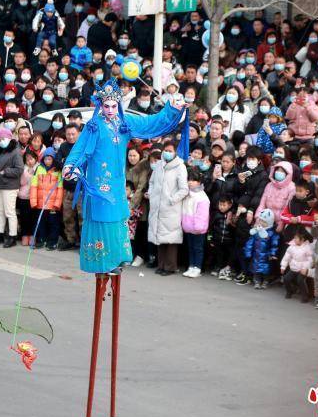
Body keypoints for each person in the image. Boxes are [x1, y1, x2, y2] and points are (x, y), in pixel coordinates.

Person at [63, 79, 187, 274]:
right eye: (106, 106)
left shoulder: (124, 122)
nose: (111, 109)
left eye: (114, 105)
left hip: (117, 181)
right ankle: (101, 262)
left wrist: (171, 109)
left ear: (119, 104)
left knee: (117, 215)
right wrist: (71, 165)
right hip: (98, 181)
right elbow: (80, 149)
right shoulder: (93, 125)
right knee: (101, 215)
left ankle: (116, 259)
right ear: (100, 105)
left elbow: (149, 122)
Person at [147, 141, 189, 276]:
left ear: (175, 152)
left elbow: (184, 189)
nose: (167, 153)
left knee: (170, 238)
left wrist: (172, 200)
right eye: (166, 150)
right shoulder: (159, 165)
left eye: (170, 150)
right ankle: (161, 265)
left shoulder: (180, 167)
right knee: (159, 237)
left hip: (171, 208)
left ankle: (170, 267)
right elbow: (152, 182)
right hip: (157, 206)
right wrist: (152, 194)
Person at [0, 128, 24, 248]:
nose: (2, 141)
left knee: (9, 212)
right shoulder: (0, 151)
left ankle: (12, 236)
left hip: (9, 186)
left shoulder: (16, 151)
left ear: (9, 138)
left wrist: (5, 172)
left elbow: (19, 169)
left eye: (4, 138)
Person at [30, 147, 64, 249]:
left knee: (53, 223)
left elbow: (60, 188)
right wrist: (33, 201)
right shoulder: (39, 168)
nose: (47, 161)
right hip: (41, 203)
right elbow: (34, 186)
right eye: (45, 159)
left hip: (52, 204)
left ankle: (52, 241)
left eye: (50, 159)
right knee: (41, 223)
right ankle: (41, 239)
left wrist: (57, 204)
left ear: (53, 159)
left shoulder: (57, 171)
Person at [181, 167, 210, 278]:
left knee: (198, 248)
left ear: (199, 182)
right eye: (189, 179)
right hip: (188, 227)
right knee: (191, 247)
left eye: (193, 180)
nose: (190, 182)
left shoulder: (202, 197)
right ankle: (191, 266)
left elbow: (202, 215)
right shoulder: (187, 194)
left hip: (198, 228)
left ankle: (197, 267)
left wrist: (198, 227)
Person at [244, 208, 280, 289]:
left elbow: (274, 244)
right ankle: (257, 281)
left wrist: (273, 253)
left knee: (266, 270)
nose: (262, 223)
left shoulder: (272, 233)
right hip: (256, 254)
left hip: (266, 256)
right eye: (261, 220)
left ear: (269, 223)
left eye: (264, 222)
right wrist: (248, 251)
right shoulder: (256, 231)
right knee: (256, 269)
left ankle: (265, 281)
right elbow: (250, 242)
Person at [280, 229, 314, 299]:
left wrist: (305, 268)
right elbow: (286, 257)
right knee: (286, 279)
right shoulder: (291, 247)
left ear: (302, 240)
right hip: (293, 268)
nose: (294, 239)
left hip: (302, 269)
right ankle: (289, 291)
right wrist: (283, 267)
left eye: (296, 238)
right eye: (294, 238)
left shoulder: (307, 248)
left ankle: (305, 296)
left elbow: (310, 260)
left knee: (300, 280)